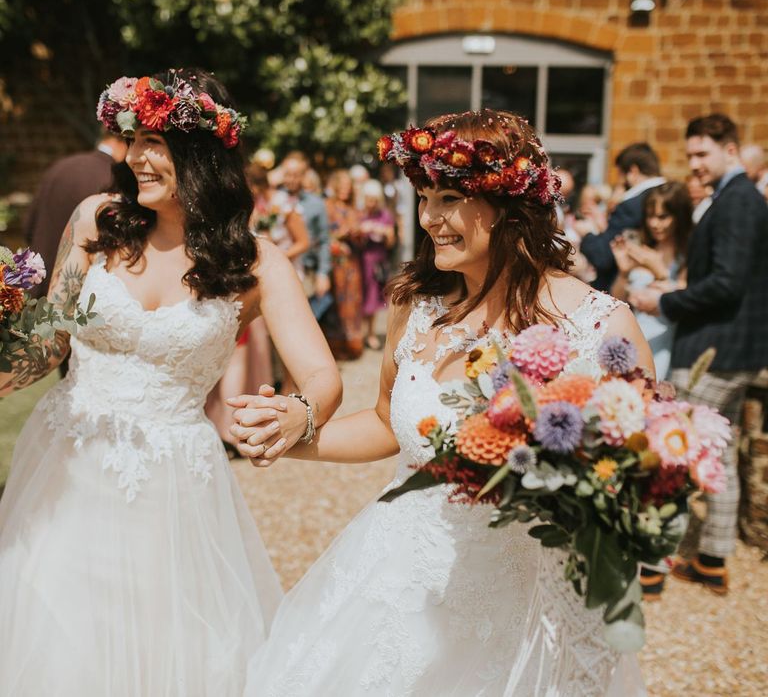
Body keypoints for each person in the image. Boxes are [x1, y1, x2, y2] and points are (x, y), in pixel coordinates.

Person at [232, 110, 652, 695]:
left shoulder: (599, 326)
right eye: (424, 197)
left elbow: (638, 480)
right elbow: (387, 423)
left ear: (511, 205)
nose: (429, 218)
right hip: (403, 579)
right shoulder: (416, 304)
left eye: (449, 197)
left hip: (529, 597)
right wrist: (294, 433)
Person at [0, 68, 342, 695]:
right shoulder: (94, 222)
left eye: (155, 143)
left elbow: (321, 374)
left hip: (172, 489)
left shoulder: (253, 262)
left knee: (167, 651)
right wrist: (5, 366)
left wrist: (300, 411)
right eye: (132, 140)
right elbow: (49, 341)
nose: (136, 158)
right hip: (65, 465)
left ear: (203, 153)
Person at [630, 113, 768, 595]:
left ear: (731, 150)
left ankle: (650, 566)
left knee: (674, 455)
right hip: (732, 346)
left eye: (702, 154)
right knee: (720, 456)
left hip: (718, 345)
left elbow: (727, 285)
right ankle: (711, 560)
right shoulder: (732, 198)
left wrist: (662, 300)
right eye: (689, 155)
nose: (694, 163)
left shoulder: (737, 202)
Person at [205, 161, 311, 450]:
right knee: (242, 352)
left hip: (266, 279)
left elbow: (304, 241)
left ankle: (275, 401)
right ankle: (231, 421)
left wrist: (272, 256)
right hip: (237, 283)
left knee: (266, 349)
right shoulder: (231, 210)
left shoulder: (280, 206)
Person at [24, 129, 128, 299]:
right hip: (74, 299)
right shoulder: (114, 181)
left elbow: (29, 227)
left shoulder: (59, 167)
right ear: (124, 141)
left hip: (35, 287)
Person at [611, 182, 693, 380]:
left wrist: (659, 271)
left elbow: (687, 298)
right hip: (635, 336)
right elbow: (616, 300)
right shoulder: (642, 248)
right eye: (650, 216)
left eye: (663, 217)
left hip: (667, 340)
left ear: (679, 216)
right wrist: (623, 273)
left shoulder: (688, 254)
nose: (655, 224)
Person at [579, 143, 665, 292]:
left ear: (633, 171)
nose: (619, 183)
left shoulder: (631, 205)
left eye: (620, 175)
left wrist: (586, 233)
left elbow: (603, 256)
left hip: (632, 288)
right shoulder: (671, 194)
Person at [280, 152, 332, 303]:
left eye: (296, 175)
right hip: (277, 270)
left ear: (304, 176)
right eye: (287, 174)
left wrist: (323, 274)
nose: (291, 179)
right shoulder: (275, 199)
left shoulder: (316, 204)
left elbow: (324, 240)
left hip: (305, 271)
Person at [323, 168, 364, 359]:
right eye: (343, 186)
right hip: (335, 263)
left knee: (352, 302)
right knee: (335, 304)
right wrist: (340, 236)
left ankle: (352, 345)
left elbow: (360, 240)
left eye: (349, 187)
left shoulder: (353, 209)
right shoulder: (328, 206)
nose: (346, 190)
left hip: (352, 263)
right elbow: (323, 236)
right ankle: (334, 346)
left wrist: (357, 233)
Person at [358, 179, 396, 350]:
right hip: (360, 259)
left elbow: (391, 242)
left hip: (377, 261)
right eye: (368, 199)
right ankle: (359, 332)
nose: (371, 203)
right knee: (359, 296)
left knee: (373, 297)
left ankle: (371, 333)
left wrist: (385, 233)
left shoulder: (385, 215)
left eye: (374, 199)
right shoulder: (358, 214)